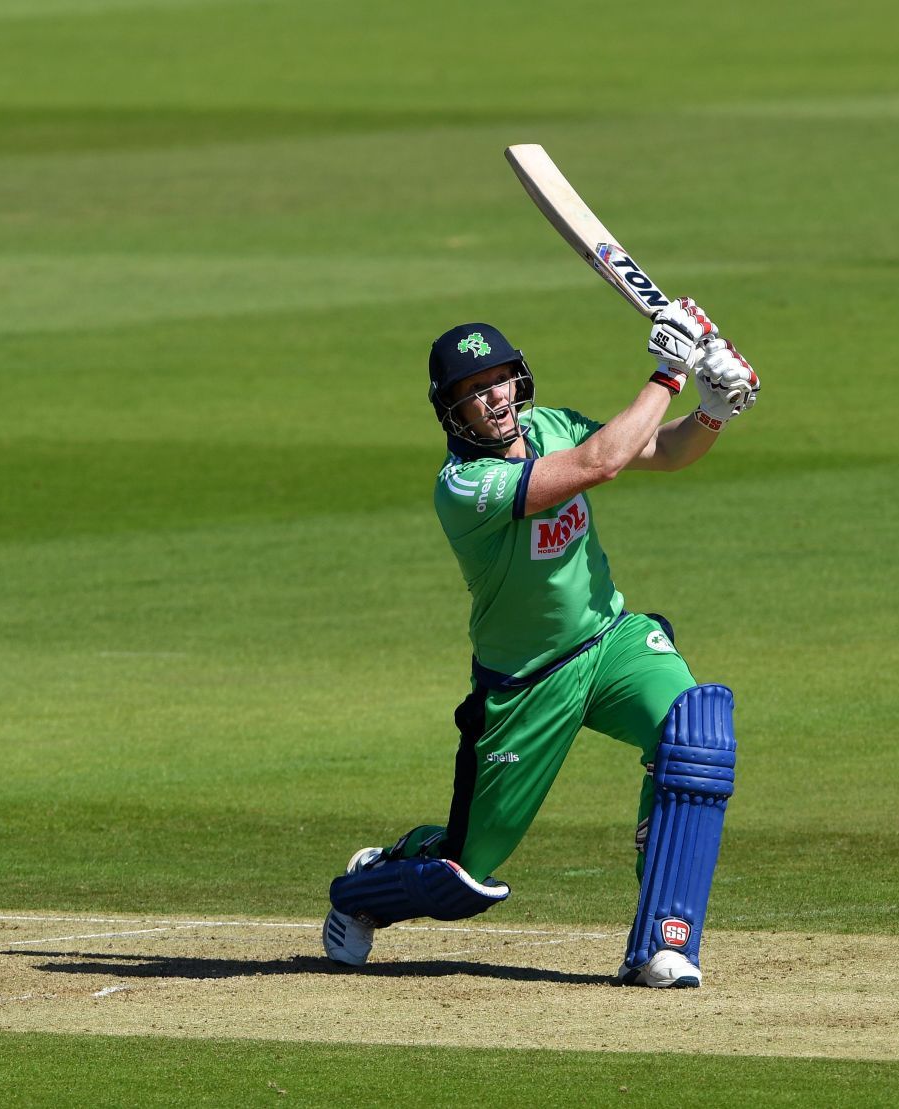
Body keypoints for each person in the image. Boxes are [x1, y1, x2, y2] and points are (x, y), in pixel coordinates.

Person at [322, 302, 759, 988]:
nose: (492, 399)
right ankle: (367, 886)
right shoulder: (466, 487)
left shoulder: (549, 424)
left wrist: (712, 409)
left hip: (610, 643)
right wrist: (670, 372)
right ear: (451, 412)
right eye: (473, 391)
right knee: (461, 879)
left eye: (498, 380)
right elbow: (601, 463)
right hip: (525, 685)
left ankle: (662, 944)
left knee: (693, 730)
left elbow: (665, 450)